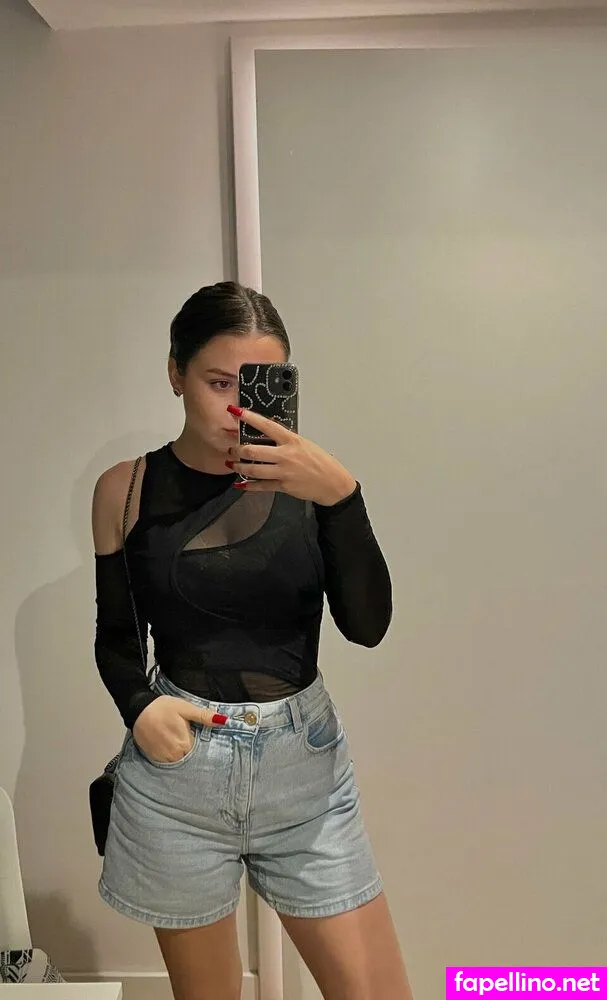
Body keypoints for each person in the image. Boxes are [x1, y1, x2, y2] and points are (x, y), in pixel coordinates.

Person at [92, 281, 414, 1000]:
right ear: (174, 373)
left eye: (258, 384)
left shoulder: (313, 487)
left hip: (306, 777)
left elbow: (367, 627)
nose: (238, 407)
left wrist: (343, 497)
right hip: (177, 780)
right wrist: (140, 706)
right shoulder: (127, 488)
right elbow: (116, 637)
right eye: (217, 383)